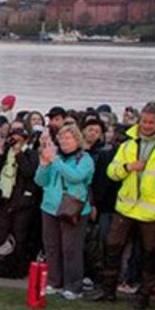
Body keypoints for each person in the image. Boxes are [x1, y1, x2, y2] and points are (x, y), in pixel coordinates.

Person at [94, 103, 155, 308]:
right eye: (144, 121)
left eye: (151, 122)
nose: (146, 126)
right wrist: (129, 167)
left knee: (149, 253)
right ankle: (108, 290)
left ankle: (144, 295)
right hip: (126, 206)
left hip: (153, 209)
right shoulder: (128, 144)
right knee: (112, 247)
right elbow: (112, 172)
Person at [35, 123, 95, 300]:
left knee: (71, 248)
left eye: (68, 138)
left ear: (77, 139)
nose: (64, 141)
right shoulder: (56, 157)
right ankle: (54, 281)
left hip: (72, 208)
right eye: (61, 138)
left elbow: (75, 177)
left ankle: (74, 286)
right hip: (49, 207)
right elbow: (40, 181)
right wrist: (44, 165)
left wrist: (55, 161)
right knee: (52, 247)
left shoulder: (84, 159)